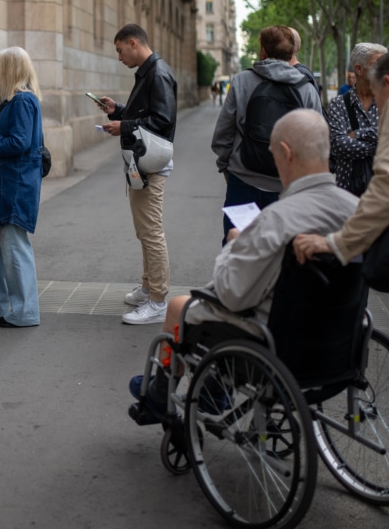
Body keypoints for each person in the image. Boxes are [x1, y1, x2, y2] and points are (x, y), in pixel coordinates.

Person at [131, 109, 357, 413]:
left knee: (179, 306)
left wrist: (235, 245)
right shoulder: (359, 211)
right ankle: (213, 389)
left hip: (277, 339)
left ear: (286, 153)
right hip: (340, 339)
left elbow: (232, 295)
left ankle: (160, 397)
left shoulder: (277, 218)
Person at [96, 24, 177, 325]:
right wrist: (119, 110)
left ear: (133, 43)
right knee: (145, 231)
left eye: (119, 50)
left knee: (151, 232)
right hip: (142, 162)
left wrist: (124, 125)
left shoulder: (157, 74)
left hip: (149, 163)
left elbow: (162, 121)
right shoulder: (150, 72)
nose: (119, 57)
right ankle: (149, 289)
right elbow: (147, 114)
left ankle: (157, 301)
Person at [211, 25, 322, 243]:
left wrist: (229, 168)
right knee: (281, 253)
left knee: (238, 249)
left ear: (263, 51)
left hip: (243, 183)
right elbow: (317, 145)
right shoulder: (307, 89)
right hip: (287, 188)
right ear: (292, 54)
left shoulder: (242, 81)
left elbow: (222, 134)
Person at [294, 52, 389, 267]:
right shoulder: (340, 103)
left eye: (377, 92)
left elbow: (384, 186)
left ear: (386, 82)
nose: (379, 106)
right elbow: (340, 144)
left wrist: (336, 243)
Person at [0, 47, 43, 328]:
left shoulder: (22, 101)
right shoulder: (14, 100)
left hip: (12, 185)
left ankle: (25, 311)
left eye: (0, 66)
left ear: (11, 69)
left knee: (13, 248)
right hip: (6, 183)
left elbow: (19, 143)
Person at [326, 43, 386, 196]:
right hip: (348, 191)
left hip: (383, 190)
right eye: (378, 64)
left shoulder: (386, 100)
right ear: (359, 69)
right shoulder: (338, 104)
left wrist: (358, 134)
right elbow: (340, 145)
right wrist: (380, 144)